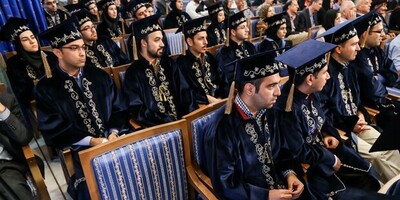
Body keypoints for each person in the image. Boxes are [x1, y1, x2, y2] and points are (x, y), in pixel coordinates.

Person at [274, 39, 381, 199]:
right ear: (310, 79)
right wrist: (330, 159)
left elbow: (324, 121)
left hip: (325, 149)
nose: (329, 76)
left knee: (369, 173)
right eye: (324, 72)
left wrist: (327, 134)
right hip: (312, 167)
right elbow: (298, 151)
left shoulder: (312, 93)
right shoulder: (287, 108)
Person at [37, 18, 128, 199]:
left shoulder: (100, 76)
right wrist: (91, 141)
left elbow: (119, 109)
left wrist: (114, 132)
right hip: (82, 152)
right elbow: (53, 128)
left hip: (115, 142)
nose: (82, 53)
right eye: (74, 48)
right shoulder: (46, 87)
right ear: (58, 52)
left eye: (82, 47)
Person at [203, 51, 305, 200]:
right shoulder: (221, 128)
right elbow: (225, 184)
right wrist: (266, 196)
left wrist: (289, 174)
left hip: (280, 189)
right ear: (250, 89)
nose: (278, 92)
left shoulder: (269, 112)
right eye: (271, 86)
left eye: (278, 84)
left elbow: (281, 153)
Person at [319, 20, 400, 183]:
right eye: (354, 44)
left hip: (359, 124)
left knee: (392, 147)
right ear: (339, 48)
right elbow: (324, 113)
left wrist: (360, 114)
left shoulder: (349, 67)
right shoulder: (325, 76)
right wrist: (350, 123)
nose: (358, 48)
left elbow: (356, 99)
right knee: (377, 157)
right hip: (342, 132)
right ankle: (391, 189)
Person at [122, 14, 198, 127]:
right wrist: (166, 122)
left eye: (162, 39)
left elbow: (186, 92)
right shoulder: (133, 73)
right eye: (157, 40)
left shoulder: (170, 64)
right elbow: (137, 109)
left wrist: (190, 119)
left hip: (182, 123)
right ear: (143, 43)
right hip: (157, 129)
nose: (162, 44)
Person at [0, 18, 57, 126]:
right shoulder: (14, 64)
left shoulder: (50, 56)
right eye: (25, 39)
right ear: (18, 43)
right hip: (41, 103)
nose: (32, 41)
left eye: (32, 37)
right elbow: (21, 93)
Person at [352, 11, 399, 112]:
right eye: (379, 31)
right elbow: (373, 90)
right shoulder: (358, 55)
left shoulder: (376, 50)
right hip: (371, 106)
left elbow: (393, 75)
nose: (383, 35)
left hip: (383, 98)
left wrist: (379, 78)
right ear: (365, 34)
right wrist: (382, 77)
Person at [176, 17, 227, 105]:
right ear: (190, 42)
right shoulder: (181, 64)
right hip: (200, 107)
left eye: (206, 38)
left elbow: (222, 80)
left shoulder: (210, 57)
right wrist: (208, 99)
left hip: (220, 102)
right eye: (201, 39)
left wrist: (220, 98)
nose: (206, 42)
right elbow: (186, 92)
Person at [0, 90, 41, 200]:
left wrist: (2, 111)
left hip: (6, 167)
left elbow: (23, 138)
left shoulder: (6, 101)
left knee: (14, 190)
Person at [215, 10, 256, 84]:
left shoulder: (249, 46)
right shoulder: (224, 53)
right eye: (243, 27)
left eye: (247, 26)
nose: (247, 30)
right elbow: (229, 79)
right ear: (233, 32)